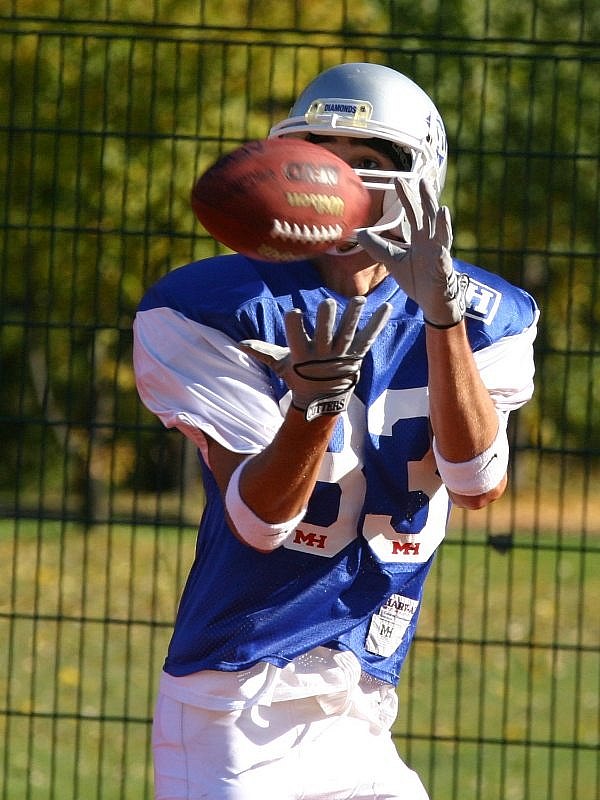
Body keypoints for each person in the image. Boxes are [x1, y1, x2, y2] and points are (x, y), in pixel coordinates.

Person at [133, 62, 538, 800]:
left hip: (363, 695)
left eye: (369, 162)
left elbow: (477, 483)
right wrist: (312, 405)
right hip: (239, 704)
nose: (340, 186)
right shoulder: (216, 306)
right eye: (323, 160)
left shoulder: (487, 313)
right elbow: (261, 523)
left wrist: (442, 320)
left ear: (421, 178)